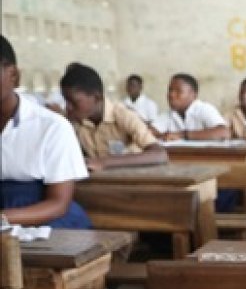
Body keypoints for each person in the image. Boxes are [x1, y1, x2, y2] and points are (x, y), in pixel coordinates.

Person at [0, 35, 91, 228]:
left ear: (13, 75)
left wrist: (3, 218)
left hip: (44, 221)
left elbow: (58, 204)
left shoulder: (52, 127)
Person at [61, 63, 168, 171]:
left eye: (74, 102)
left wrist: (104, 162)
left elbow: (159, 155)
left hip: (130, 180)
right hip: (95, 181)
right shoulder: (72, 120)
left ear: (97, 97)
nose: (68, 107)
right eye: (66, 101)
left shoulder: (123, 115)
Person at [150, 73, 229, 140]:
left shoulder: (204, 109)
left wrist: (183, 135)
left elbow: (223, 132)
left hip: (207, 157)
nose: (171, 95)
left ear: (193, 95)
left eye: (178, 91)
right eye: (170, 90)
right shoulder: (169, 114)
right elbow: (150, 132)